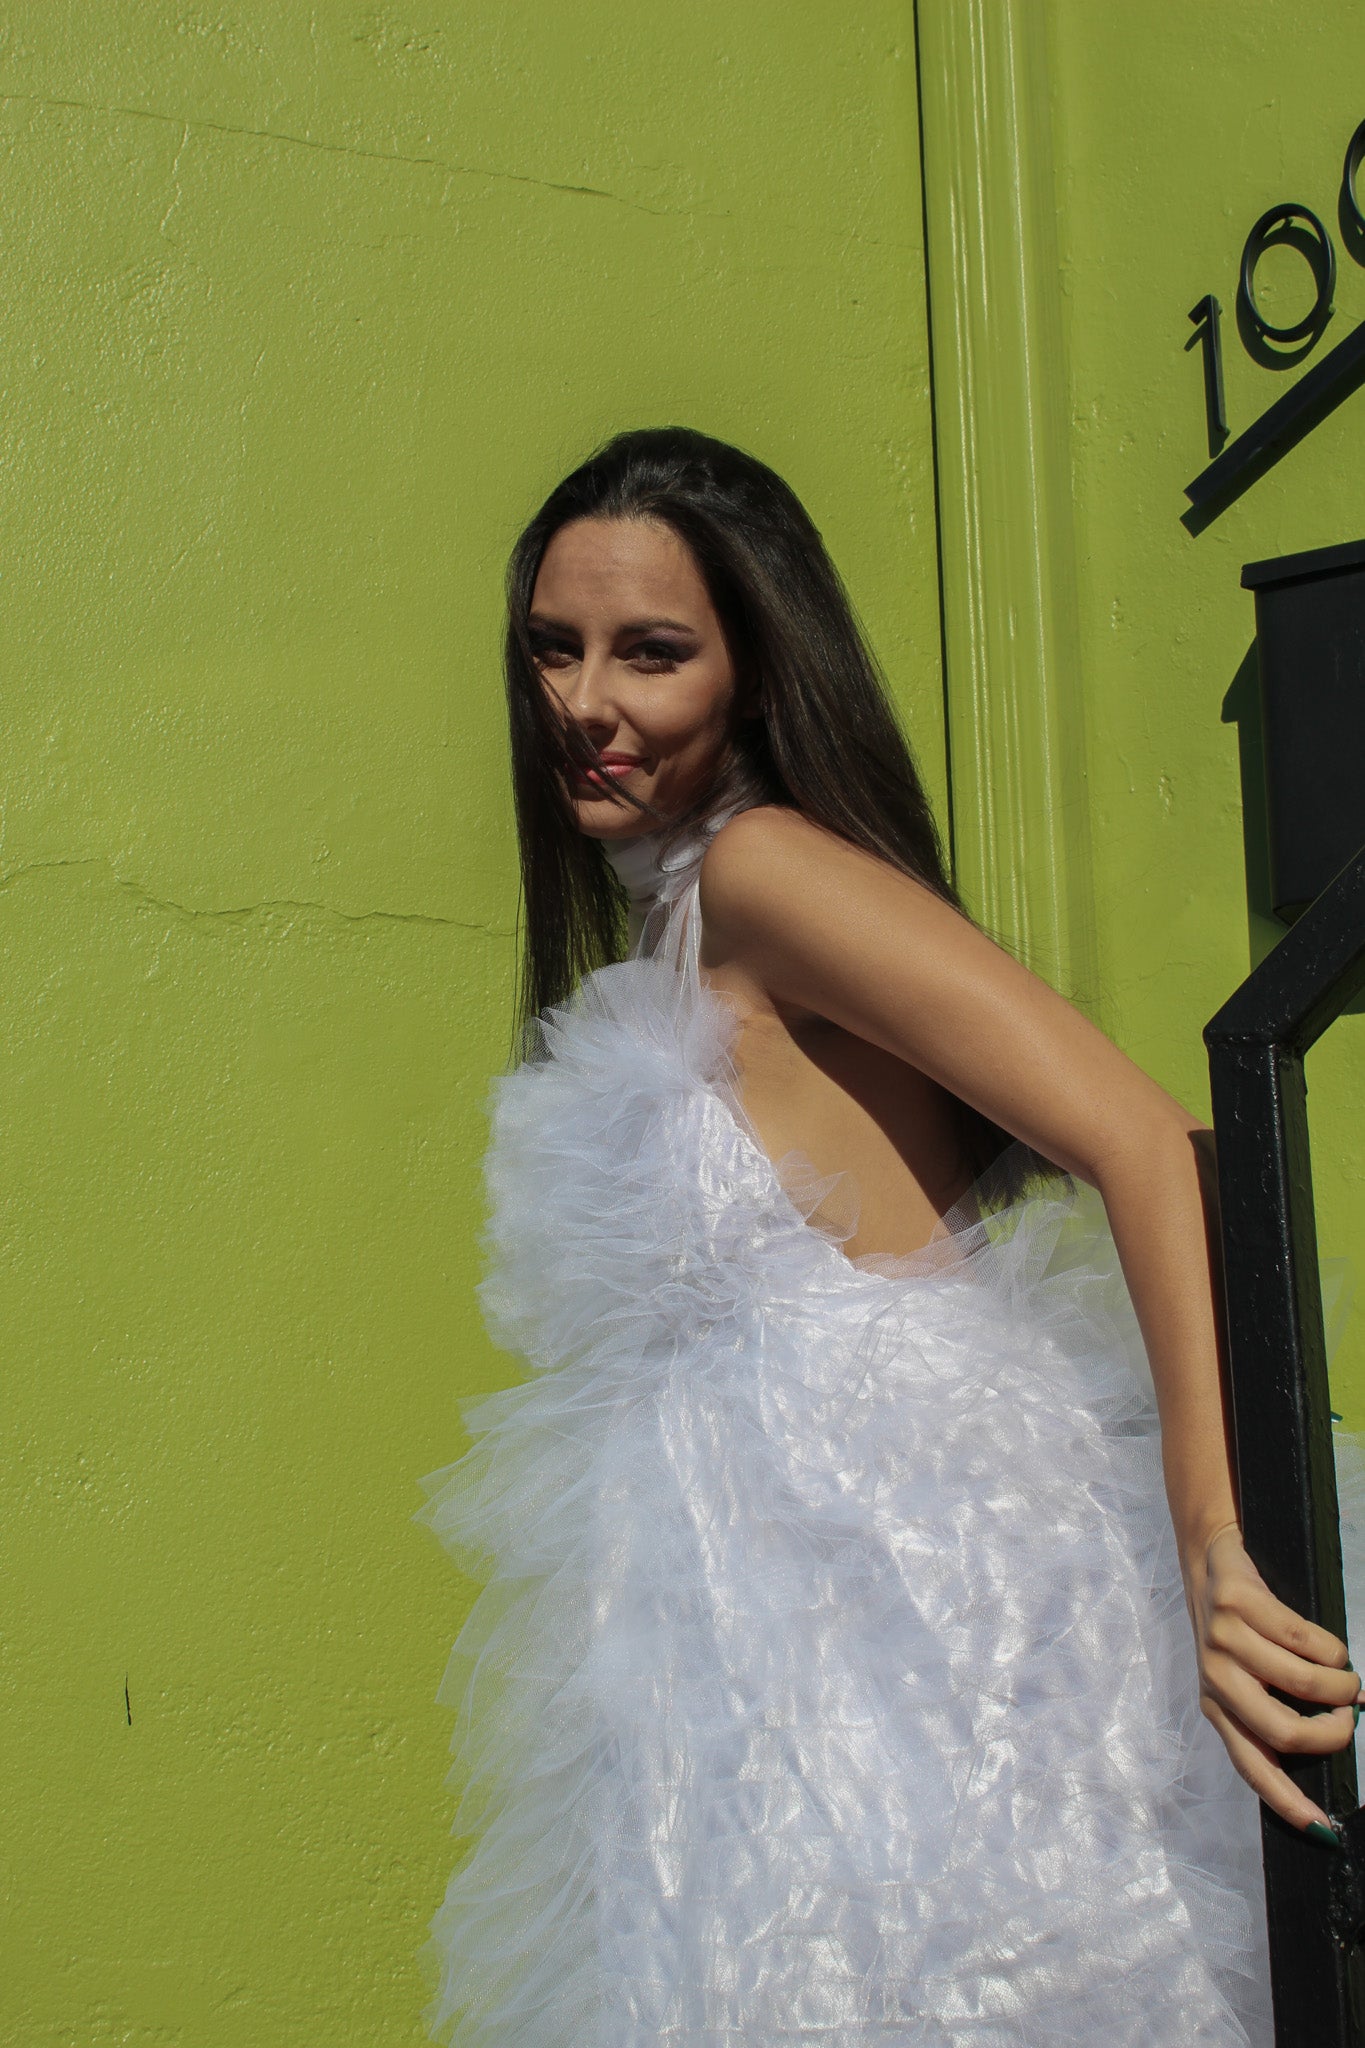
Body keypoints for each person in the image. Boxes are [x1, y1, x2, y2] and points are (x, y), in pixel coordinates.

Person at [417, 427, 1363, 2047]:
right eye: (552, 648)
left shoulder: (765, 869)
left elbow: (1145, 1140)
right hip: (776, 1649)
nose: (584, 701)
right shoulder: (675, 912)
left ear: (756, 668)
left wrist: (1214, 1538)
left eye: (651, 651)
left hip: (928, 1607)